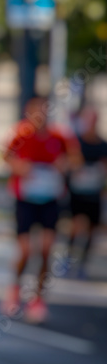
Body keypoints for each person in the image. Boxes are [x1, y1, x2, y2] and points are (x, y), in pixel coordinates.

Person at [1, 96, 81, 323]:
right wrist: (19, 167)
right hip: (26, 199)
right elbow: (5, 156)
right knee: (26, 250)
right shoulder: (20, 134)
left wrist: (64, 164)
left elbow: (76, 159)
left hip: (50, 199)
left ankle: (37, 298)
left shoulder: (60, 136)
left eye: (43, 112)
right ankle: (15, 289)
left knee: (46, 249)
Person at [67, 105, 107, 278]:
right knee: (76, 227)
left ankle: (82, 263)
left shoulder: (102, 144)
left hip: (94, 192)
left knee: (91, 230)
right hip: (77, 192)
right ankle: (68, 259)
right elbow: (68, 163)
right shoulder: (75, 142)